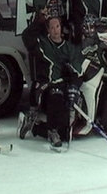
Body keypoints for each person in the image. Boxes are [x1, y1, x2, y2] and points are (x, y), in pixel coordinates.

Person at [19, 10, 85, 151]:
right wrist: (39, 22)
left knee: (66, 134)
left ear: (61, 28)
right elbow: (26, 37)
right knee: (56, 95)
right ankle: (52, 131)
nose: (55, 30)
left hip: (63, 88)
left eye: (57, 26)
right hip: (45, 89)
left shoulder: (69, 48)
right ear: (48, 29)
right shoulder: (42, 44)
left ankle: (35, 127)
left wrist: (74, 86)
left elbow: (78, 70)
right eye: (52, 27)